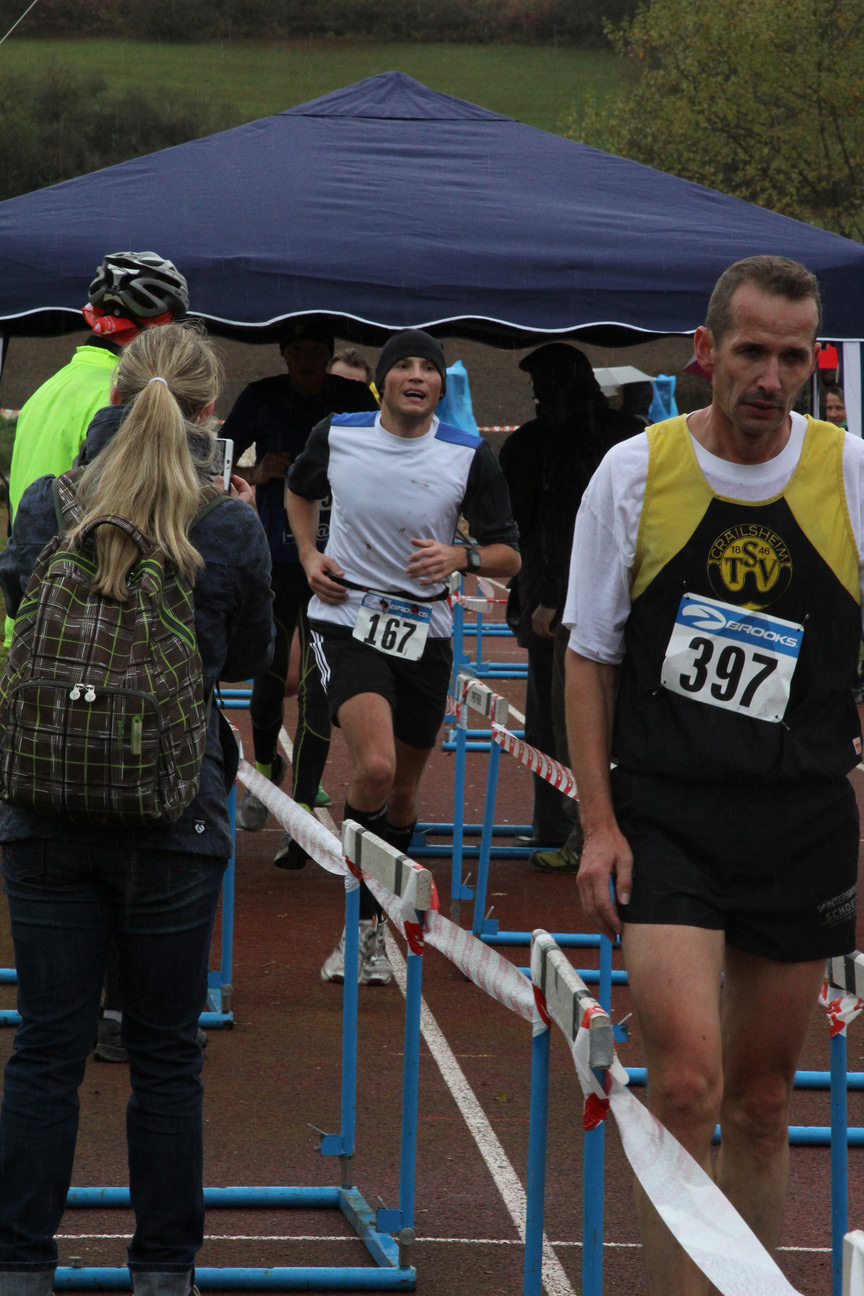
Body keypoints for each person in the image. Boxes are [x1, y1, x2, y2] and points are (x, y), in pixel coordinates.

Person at [564, 255, 861, 1294]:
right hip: (670, 817)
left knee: (765, 1102)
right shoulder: (634, 473)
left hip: (802, 821)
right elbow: (590, 656)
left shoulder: (849, 475)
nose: (772, 378)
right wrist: (599, 826)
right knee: (686, 1088)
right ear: (705, 352)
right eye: (752, 352)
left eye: (795, 357)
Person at [0, 323, 274, 1296]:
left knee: (46, 1047)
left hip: (46, 804)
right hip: (173, 809)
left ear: (113, 397)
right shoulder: (228, 522)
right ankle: (161, 1270)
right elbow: (249, 658)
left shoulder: (49, 502)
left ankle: (20, 1263)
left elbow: (20, 603)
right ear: (208, 411)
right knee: (163, 1053)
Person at [286, 328, 520, 984]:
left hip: (426, 631)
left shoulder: (468, 454)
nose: (417, 376)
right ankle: (359, 928)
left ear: (440, 387)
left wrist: (460, 556)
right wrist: (308, 555)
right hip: (346, 618)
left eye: (428, 368)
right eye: (404, 366)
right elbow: (299, 492)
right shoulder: (338, 435)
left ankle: (380, 915)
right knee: (378, 766)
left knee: (406, 791)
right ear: (381, 381)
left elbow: (508, 554)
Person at [222, 318, 378, 866]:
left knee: (316, 690)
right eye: (298, 352)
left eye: (316, 351)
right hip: (275, 561)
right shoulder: (261, 396)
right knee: (269, 675)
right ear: (285, 355)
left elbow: (390, 449)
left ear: (328, 356)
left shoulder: (353, 399)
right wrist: (256, 469)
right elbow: (214, 459)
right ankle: (268, 763)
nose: (307, 360)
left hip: (336, 563)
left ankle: (303, 818)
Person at [500, 343, 640, 873]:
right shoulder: (630, 434)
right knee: (585, 716)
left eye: (545, 385)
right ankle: (571, 825)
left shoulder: (547, 440)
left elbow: (542, 526)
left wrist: (546, 598)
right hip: (605, 596)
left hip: (564, 601)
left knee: (562, 719)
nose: (540, 395)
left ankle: (576, 830)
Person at [7, 251, 189, 527]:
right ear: (159, 326)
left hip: (30, 550)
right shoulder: (122, 399)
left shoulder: (48, 388)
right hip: (76, 552)